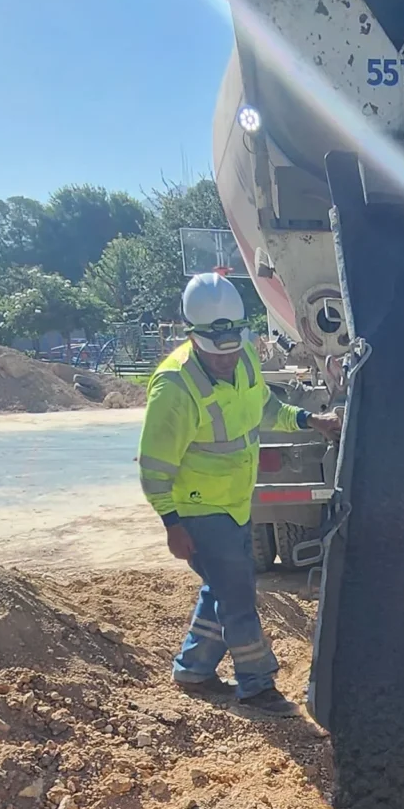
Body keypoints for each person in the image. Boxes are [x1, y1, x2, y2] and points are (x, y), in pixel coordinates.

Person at [140, 272, 336, 711]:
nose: (226, 359)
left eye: (232, 348)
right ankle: (257, 685)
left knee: (221, 588)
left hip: (235, 502)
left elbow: (264, 407)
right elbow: (153, 468)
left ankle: (193, 670)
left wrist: (310, 422)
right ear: (193, 336)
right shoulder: (174, 387)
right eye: (216, 352)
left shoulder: (244, 357)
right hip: (198, 508)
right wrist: (171, 523)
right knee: (238, 597)